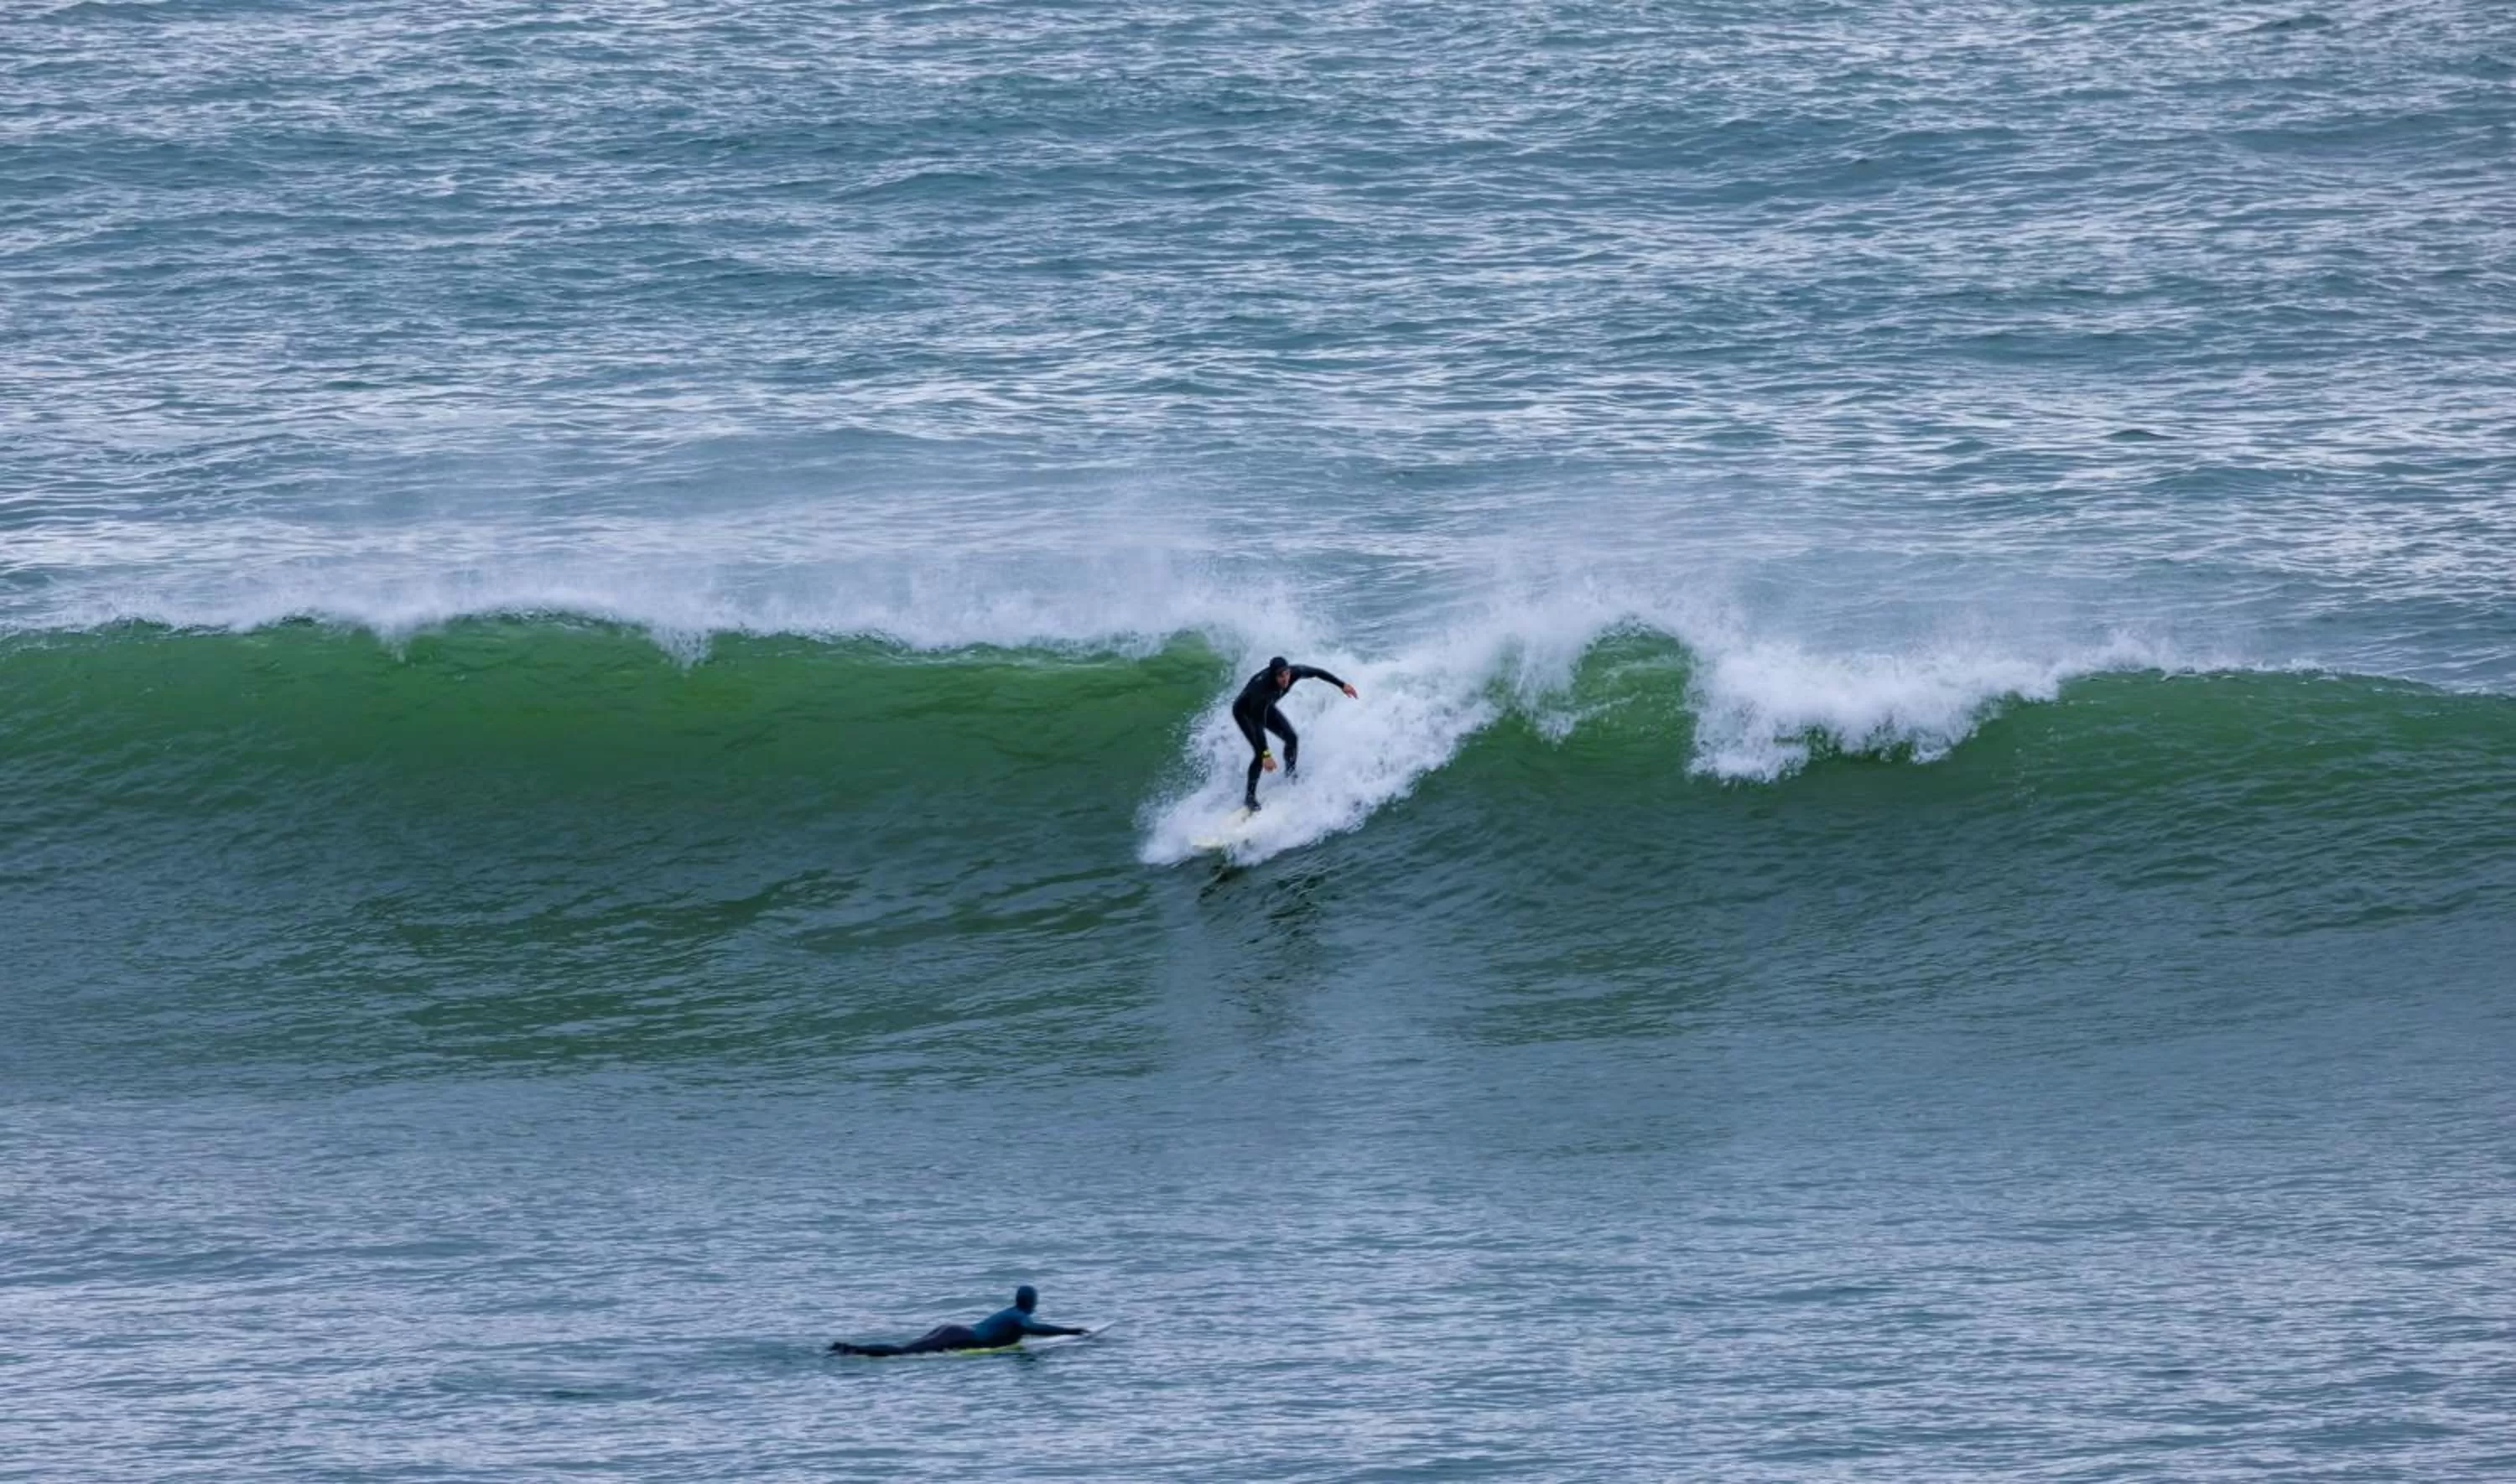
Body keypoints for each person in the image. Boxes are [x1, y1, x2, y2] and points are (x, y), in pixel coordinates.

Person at [1231, 656, 1359, 812]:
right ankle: (1249, 799)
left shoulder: (1295, 672)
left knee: (1292, 738)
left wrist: (1342, 685)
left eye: (1286, 674)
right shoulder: (1262, 690)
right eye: (1280, 676)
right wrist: (1266, 755)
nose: (1285, 679)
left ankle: (1290, 775)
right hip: (1244, 712)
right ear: (1273, 676)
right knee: (1259, 753)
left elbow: (1317, 672)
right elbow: (1258, 725)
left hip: (1265, 707)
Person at [828, 1284, 1089, 1356]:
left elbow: (1034, 1329)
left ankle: (851, 1348)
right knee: (903, 1352)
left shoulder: (1011, 1312)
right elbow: (1037, 1329)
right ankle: (851, 1349)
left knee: (906, 1348)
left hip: (953, 1330)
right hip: (959, 1336)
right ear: (1032, 1302)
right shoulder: (1021, 1318)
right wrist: (1073, 1331)